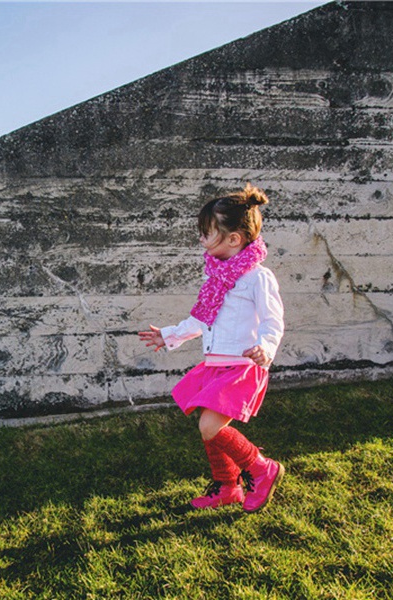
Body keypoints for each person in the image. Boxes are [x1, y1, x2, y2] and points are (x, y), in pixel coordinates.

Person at [138, 183, 285, 513]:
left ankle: (263, 469)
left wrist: (265, 347)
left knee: (210, 426)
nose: (201, 240)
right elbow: (200, 320)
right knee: (208, 429)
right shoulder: (217, 278)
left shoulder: (257, 278)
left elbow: (273, 320)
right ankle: (228, 487)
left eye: (207, 233)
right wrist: (169, 334)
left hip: (242, 366)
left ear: (234, 238)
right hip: (216, 365)